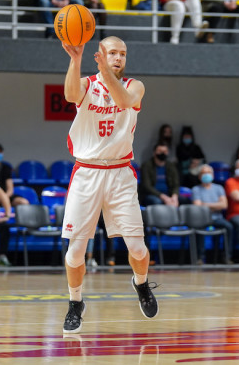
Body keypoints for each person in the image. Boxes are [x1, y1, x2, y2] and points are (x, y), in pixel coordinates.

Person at [60, 36, 158, 333]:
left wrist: (106, 72)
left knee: (139, 250)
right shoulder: (87, 85)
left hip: (120, 174)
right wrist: (75, 60)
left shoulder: (134, 86)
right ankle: (75, 302)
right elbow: (69, 95)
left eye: (122, 54)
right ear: (99, 55)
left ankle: (140, 283)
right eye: (112, 53)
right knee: (75, 253)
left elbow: (125, 102)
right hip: (87, 173)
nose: (118, 58)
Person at [192, 164, 235, 264]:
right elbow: (198, 207)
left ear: (213, 175)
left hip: (217, 218)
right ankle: (200, 257)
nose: (207, 175)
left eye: (209, 173)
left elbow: (224, 205)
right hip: (201, 218)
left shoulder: (219, 188)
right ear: (199, 176)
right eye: (204, 173)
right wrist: (216, 205)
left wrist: (205, 205)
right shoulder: (195, 189)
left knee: (229, 227)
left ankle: (226, 256)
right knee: (198, 228)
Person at [0, 143, 29, 207]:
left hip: (6, 196)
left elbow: (10, 189)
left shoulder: (6, 168)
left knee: (23, 202)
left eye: (0, 152)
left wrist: (4, 197)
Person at [140, 142, 180, 206]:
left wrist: (174, 196)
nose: (163, 153)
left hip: (169, 194)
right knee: (158, 202)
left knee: (185, 200)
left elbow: (176, 184)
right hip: (152, 195)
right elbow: (146, 186)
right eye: (160, 151)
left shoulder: (171, 166)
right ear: (154, 153)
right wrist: (163, 197)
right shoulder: (146, 166)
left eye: (165, 151)